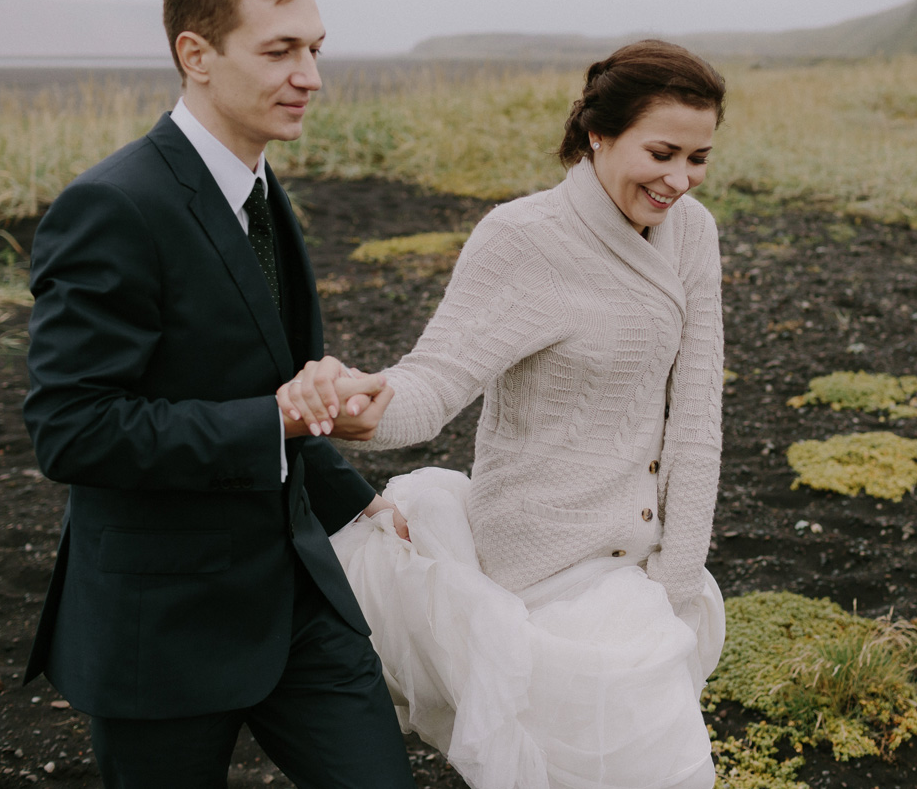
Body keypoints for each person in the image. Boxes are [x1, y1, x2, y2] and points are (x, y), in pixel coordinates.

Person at [282, 40, 728, 789]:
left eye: (700, 156)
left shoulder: (693, 232)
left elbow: (697, 418)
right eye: (662, 151)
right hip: (543, 555)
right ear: (597, 132)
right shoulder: (523, 239)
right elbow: (434, 378)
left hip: (642, 555)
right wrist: (368, 404)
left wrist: (676, 589)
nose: (680, 179)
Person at [22, 0, 415, 789]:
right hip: (160, 628)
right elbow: (72, 429)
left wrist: (364, 499)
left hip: (298, 600)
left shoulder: (264, 192)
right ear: (194, 56)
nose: (310, 74)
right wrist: (275, 416)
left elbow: (258, 376)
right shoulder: (113, 206)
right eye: (280, 51)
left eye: (315, 49)